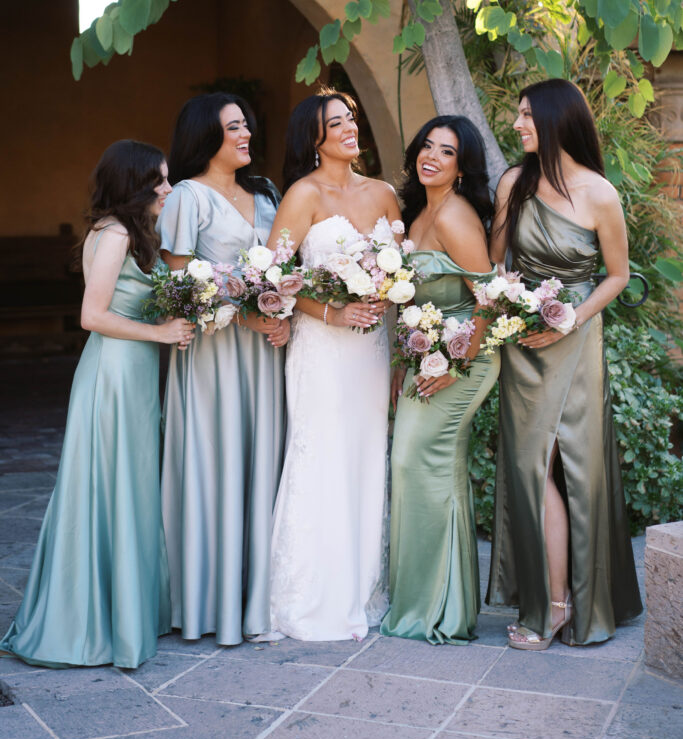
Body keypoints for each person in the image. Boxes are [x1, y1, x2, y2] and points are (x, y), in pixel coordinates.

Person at [0, 140, 193, 668]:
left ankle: (124, 612)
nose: (168, 188)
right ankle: (94, 623)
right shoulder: (114, 234)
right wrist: (160, 332)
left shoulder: (129, 233)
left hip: (128, 375)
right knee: (109, 487)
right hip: (112, 374)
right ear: (134, 183)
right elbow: (92, 315)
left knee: (126, 486)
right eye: (160, 179)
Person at [486, 79, 642, 649]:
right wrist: (507, 304)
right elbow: (496, 261)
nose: (518, 124)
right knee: (533, 468)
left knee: (565, 462)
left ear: (555, 120)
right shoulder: (513, 183)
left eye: (527, 115)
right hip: (525, 340)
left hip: (574, 339)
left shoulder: (599, 193)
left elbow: (617, 276)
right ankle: (553, 595)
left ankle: (559, 605)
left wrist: (570, 321)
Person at [268, 88, 401, 641]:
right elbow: (269, 282)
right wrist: (332, 310)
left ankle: (363, 588)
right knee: (320, 458)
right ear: (314, 138)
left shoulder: (386, 193)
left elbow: (401, 275)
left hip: (372, 351)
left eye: (351, 119)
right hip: (321, 350)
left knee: (367, 459)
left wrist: (385, 305)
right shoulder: (303, 195)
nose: (350, 128)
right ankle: (312, 598)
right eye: (336, 122)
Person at [158, 92, 287, 646]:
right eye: (234, 127)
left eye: (246, 126)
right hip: (214, 356)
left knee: (263, 462)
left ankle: (260, 597)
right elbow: (176, 288)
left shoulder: (267, 194)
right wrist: (245, 318)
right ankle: (209, 601)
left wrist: (281, 314)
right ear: (205, 136)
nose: (246, 135)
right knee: (218, 461)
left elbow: (285, 269)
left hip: (266, 356)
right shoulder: (188, 198)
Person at [380, 116, 500, 644]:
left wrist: (455, 364)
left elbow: (490, 299)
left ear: (461, 166)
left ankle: (438, 611)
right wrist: (402, 362)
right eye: (427, 146)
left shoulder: (455, 216)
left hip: (462, 364)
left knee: (417, 463)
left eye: (446, 152)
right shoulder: (419, 210)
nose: (431, 156)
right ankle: (434, 604)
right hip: (426, 357)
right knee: (415, 468)